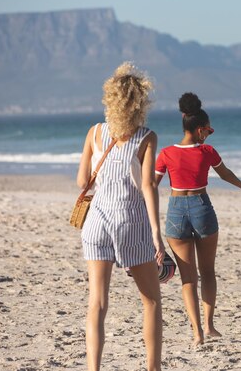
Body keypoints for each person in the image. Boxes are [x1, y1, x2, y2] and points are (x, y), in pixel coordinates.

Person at [77, 63, 164, 371]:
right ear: (141, 102)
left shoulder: (95, 132)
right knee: (151, 300)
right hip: (130, 220)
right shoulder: (146, 137)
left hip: (96, 221)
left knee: (97, 302)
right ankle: (153, 367)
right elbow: (148, 186)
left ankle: (93, 368)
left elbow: (82, 181)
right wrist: (156, 234)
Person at [155, 92, 241, 346]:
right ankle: (209, 325)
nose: (209, 134)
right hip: (201, 207)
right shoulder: (207, 151)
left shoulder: (166, 153)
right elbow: (225, 174)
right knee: (208, 271)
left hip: (176, 210)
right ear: (200, 130)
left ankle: (197, 332)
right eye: (208, 130)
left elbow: (151, 185)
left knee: (188, 278)